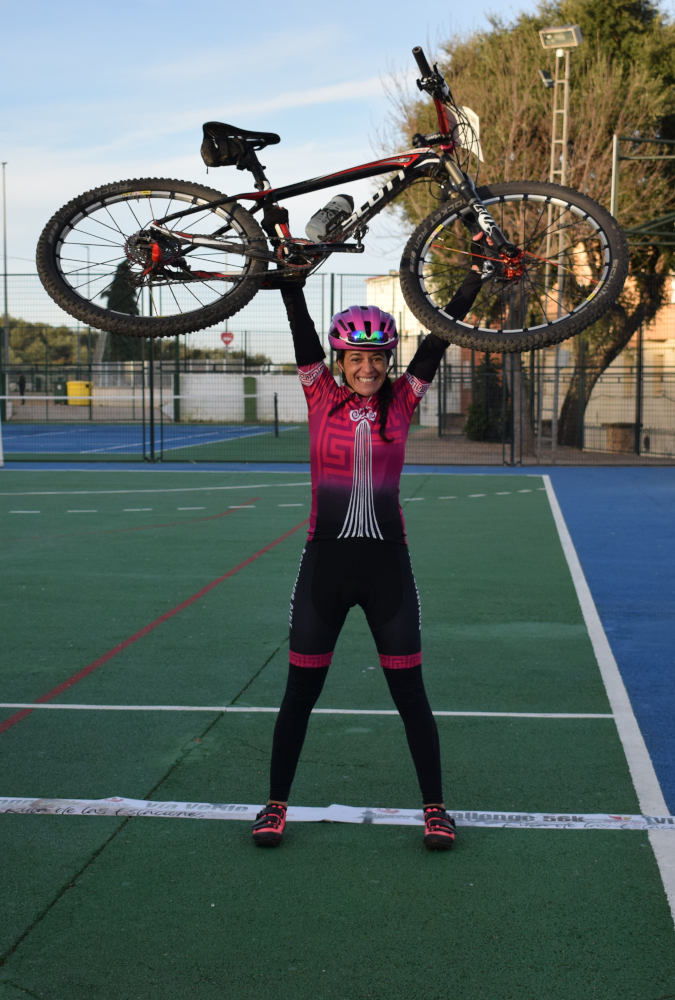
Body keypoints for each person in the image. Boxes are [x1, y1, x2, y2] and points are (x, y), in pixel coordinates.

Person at [251, 258, 485, 851]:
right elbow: (303, 335)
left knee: (411, 695)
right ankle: (275, 805)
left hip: (387, 571)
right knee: (299, 694)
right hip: (324, 568)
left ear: (388, 361)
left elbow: (438, 338)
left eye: (378, 357)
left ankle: (436, 810)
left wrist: (475, 276)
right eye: (356, 358)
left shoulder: (402, 402)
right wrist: (292, 287)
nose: (367, 367)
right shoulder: (319, 394)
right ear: (340, 361)